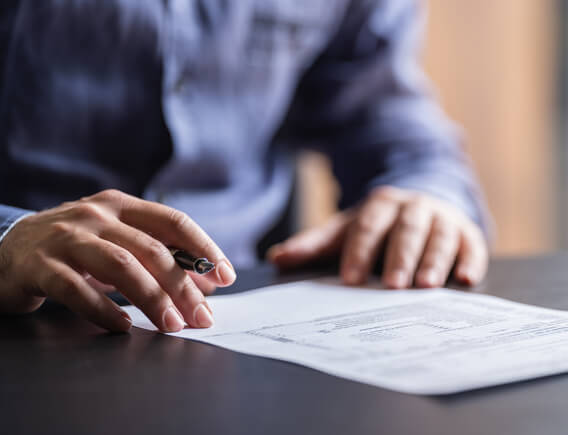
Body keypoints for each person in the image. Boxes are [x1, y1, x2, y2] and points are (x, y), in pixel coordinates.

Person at [0, 1, 490, 333]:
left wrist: (427, 193)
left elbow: (387, 113)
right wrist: (9, 236)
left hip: (237, 323)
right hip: (24, 321)